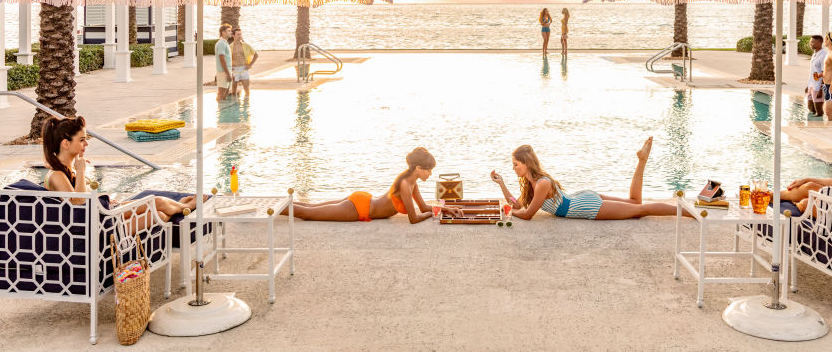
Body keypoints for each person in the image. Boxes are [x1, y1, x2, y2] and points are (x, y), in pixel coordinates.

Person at [42, 116, 200, 228]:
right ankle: (186, 206)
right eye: (82, 140)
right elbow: (79, 203)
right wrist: (82, 171)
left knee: (159, 214)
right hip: (101, 227)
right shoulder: (56, 174)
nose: (86, 144)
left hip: (104, 215)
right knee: (156, 204)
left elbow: (79, 201)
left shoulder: (66, 170)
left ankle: (179, 206)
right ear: (65, 144)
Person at [490, 139, 689, 220]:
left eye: (516, 164)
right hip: (580, 199)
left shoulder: (542, 183)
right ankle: (642, 160)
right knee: (635, 202)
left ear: (526, 163)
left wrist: (507, 211)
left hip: (585, 207)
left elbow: (526, 214)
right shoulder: (533, 183)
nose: (513, 168)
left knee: (640, 209)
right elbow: (518, 205)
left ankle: (688, 213)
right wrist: (502, 184)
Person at [285, 147, 463, 223]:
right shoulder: (404, 185)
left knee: (310, 207)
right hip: (358, 208)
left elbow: (423, 207)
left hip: (363, 200)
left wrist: (446, 209)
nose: (430, 174)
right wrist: (434, 215)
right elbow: (414, 218)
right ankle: (275, 208)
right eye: (428, 170)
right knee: (308, 213)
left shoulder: (412, 182)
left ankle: (277, 206)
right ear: (418, 168)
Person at [229, 28, 258, 97]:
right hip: (235, 69)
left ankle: (246, 105)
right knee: (234, 91)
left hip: (244, 69)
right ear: (233, 35)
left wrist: (250, 64)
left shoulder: (246, 45)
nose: (240, 36)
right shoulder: (230, 46)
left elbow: (256, 55)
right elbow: (226, 59)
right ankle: (234, 106)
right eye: (238, 34)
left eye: (240, 34)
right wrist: (230, 68)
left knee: (247, 90)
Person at [806, 35, 826, 117]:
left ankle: (819, 126)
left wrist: (821, 89)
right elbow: (813, 71)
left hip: (818, 86)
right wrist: (808, 85)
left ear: (820, 43)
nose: (811, 43)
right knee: (810, 107)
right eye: (810, 42)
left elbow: (824, 72)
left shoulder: (823, 55)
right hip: (811, 85)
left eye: (813, 42)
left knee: (819, 111)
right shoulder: (814, 54)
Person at [215, 24, 233, 102]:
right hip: (223, 72)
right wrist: (228, 74)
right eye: (228, 31)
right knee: (221, 94)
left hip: (226, 71)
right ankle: (219, 112)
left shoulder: (225, 43)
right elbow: (222, 59)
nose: (231, 32)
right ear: (223, 32)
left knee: (225, 94)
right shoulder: (221, 43)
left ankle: (223, 112)